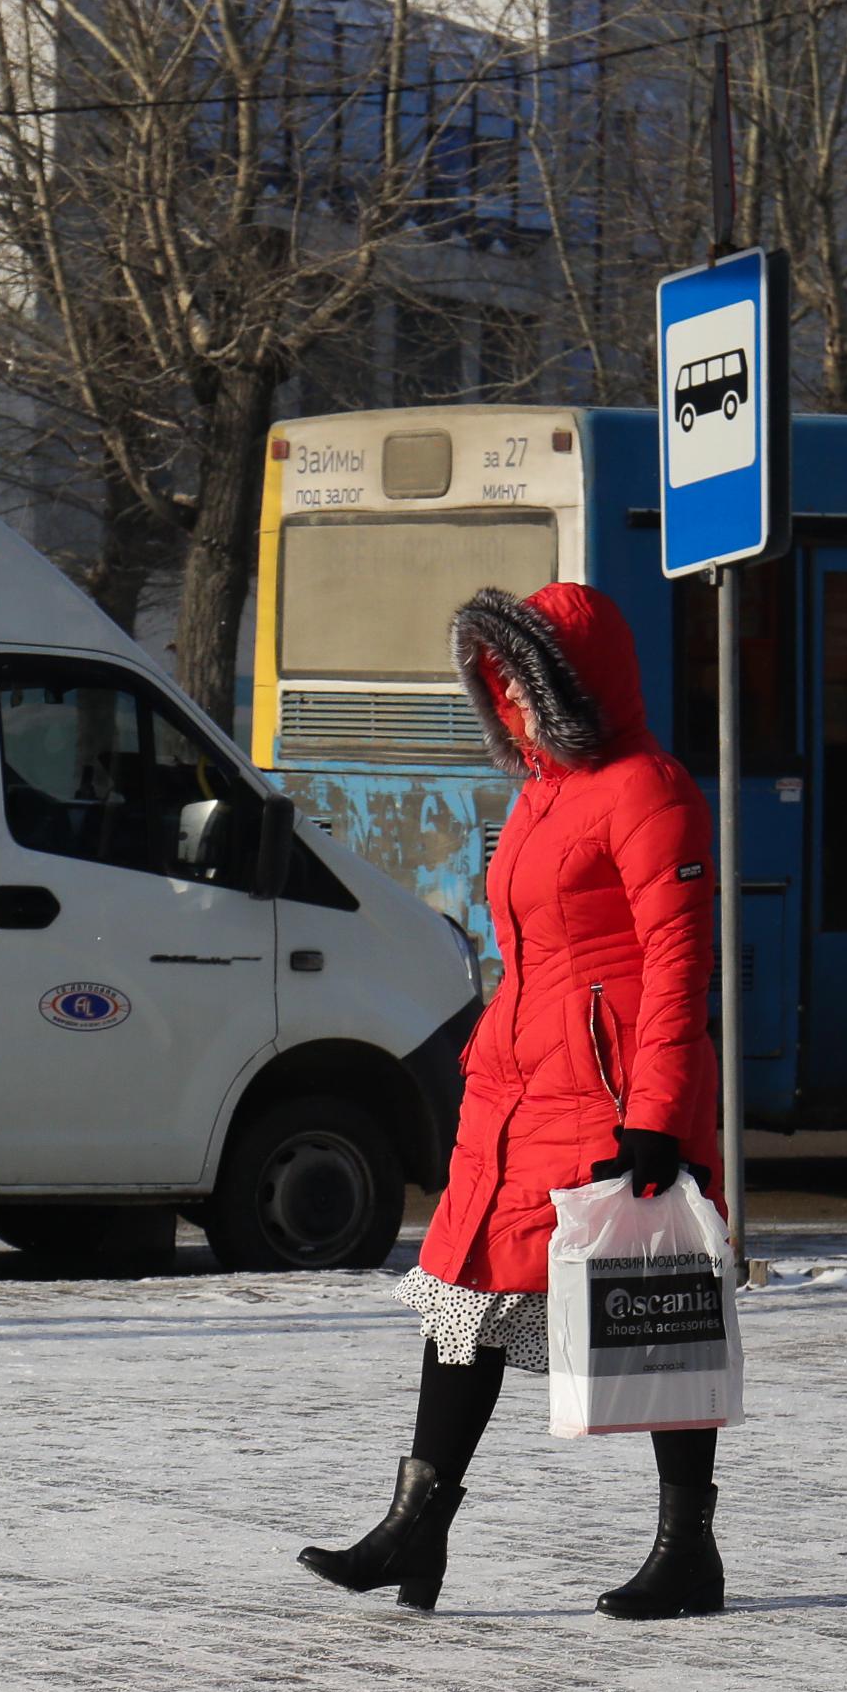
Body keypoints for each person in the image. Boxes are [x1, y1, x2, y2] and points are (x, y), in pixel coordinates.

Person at [300, 581, 727, 1617]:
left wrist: (658, 1114)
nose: (515, 710)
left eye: (528, 688)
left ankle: (688, 1550)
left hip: (617, 1089)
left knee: (652, 1302)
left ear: (573, 688)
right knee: (459, 1296)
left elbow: (677, 961)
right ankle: (417, 1524)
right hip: (521, 1086)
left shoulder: (648, 788)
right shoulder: (540, 794)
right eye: (503, 690)